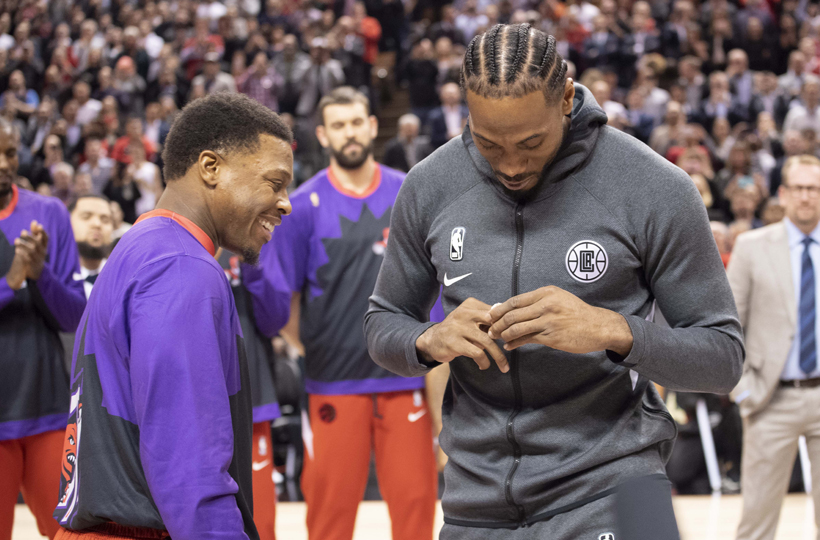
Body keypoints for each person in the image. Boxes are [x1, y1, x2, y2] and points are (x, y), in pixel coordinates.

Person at [365, 24, 744, 539]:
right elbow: (382, 324)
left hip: (612, 488)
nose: (512, 165)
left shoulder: (653, 187)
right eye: (489, 144)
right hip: (475, 504)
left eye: (530, 142)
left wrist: (615, 330)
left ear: (566, 99)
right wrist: (425, 340)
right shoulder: (430, 184)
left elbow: (722, 358)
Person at [52, 92, 293, 540]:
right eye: (275, 183)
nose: (285, 203)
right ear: (210, 167)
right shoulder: (181, 267)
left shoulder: (144, 245)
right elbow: (190, 469)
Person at [269, 86, 438, 540]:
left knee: (417, 507)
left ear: (371, 125)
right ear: (323, 135)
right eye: (338, 125)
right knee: (329, 512)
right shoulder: (302, 206)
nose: (350, 133)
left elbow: (431, 286)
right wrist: (312, 344)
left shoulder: (408, 192)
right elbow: (285, 299)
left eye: (356, 122)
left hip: (405, 378)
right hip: (332, 380)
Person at [0, 117, 86, 539]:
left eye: (10, 153)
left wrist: (39, 276)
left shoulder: (48, 212)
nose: (3, 163)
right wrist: (10, 283)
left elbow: (74, 316)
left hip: (47, 404)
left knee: (65, 533)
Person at [729, 154, 820, 540]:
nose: (806, 197)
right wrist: (743, 389)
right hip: (770, 399)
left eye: (813, 188)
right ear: (783, 193)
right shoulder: (751, 247)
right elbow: (728, 326)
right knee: (757, 524)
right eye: (798, 188)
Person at [215, 242, 290, 540]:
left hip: (252, 395)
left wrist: (251, 265)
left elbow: (274, 321)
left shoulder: (257, 242)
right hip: (195, 397)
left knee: (260, 516)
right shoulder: (183, 238)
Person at [69, 195, 114, 298]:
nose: (97, 224)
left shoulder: (125, 279)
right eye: (86, 217)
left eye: (105, 220)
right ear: (68, 223)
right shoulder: (54, 278)